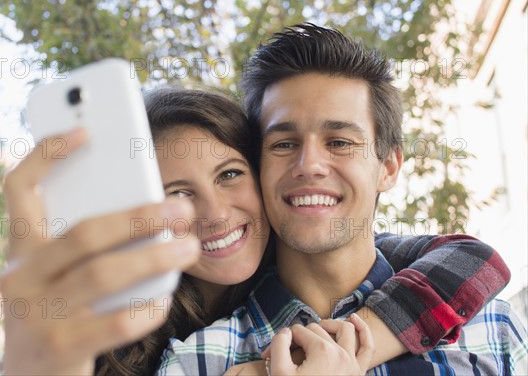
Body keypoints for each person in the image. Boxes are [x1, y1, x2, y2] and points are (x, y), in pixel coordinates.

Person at [2, 82, 511, 374]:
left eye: (229, 175)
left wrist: (358, 344)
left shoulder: (475, 315)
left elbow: (474, 258)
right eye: (176, 194)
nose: (215, 214)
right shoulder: (168, 349)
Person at [155, 24, 527, 375]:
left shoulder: (492, 329)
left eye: (339, 142)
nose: (310, 165)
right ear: (258, 165)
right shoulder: (196, 362)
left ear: (389, 166)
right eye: (284, 144)